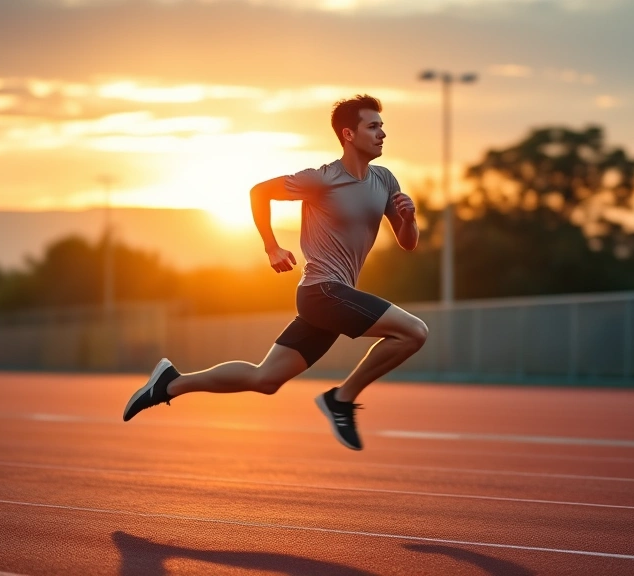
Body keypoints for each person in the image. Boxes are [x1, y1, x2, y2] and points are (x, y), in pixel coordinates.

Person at [122, 94, 428, 450]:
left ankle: (171, 383)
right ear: (348, 134)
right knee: (414, 332)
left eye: (382, 126)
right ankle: (341, 400)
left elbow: (408, 243)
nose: (382, 134)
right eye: (373, 126)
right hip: (322, 292)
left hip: (332, 299)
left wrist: (409, 219)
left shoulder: (385, 180)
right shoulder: (322, 179)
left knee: (265, 379)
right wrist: (271, 246)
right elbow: (259, 193)